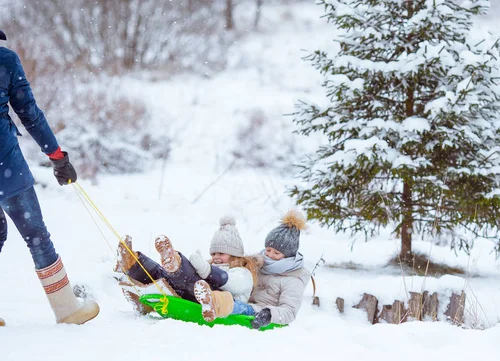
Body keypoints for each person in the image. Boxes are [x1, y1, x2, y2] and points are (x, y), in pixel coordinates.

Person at [0, 30, 99, 325]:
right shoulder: (5, 60)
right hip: (5, 165)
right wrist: (57, 157)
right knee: (36, 235)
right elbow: (29, 113)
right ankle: (68, 310)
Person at [116, 216, 257, 315]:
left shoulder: (243, 273)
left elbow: (229, 282)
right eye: (213, 254)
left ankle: (176, 264)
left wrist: (206, 270)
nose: (216, 258)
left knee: (192, 279)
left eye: (221, 253)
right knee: (163, 275)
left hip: (219, 303)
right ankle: (133, 263)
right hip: (192, 295)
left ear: (234, 254)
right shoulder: (211, 266)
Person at [195, 209, 310, 329]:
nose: (270, 255)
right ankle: (200, 294)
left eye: (276, 253)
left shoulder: (294, 279)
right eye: (268, 250)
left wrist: (269, 314)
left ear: (288, 256)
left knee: (236, 306)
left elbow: (290, 311)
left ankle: (215, 303)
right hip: (242, 299)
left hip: (258, 311)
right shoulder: (258, 263)